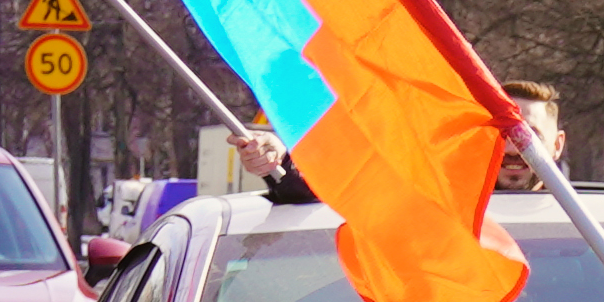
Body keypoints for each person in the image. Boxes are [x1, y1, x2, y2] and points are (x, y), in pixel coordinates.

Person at [230, 77, 564, 205]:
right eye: (500, 133)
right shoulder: (438, 208)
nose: (510, 148)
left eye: (527, 136)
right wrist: (281, 160)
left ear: (557, 144)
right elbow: (335, 198)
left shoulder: (595, 229)